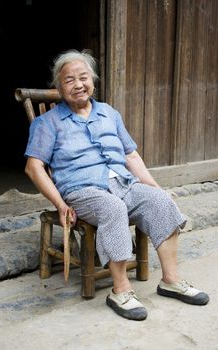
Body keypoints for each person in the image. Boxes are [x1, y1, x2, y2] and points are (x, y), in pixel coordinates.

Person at [24, 49, 209, 321]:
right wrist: (60, 204)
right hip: (82, 190)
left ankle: (170, 279)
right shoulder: (47, 123)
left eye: (83, 77)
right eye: (69, 80)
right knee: (112, 208)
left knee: (160, 201)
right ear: (59, 88)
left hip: (123, 183)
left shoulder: (109, 113)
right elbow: (34, 167)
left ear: (93, 82)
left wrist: (154, 186)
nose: (78, 84)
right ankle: (120, 290)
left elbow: (130, 154)